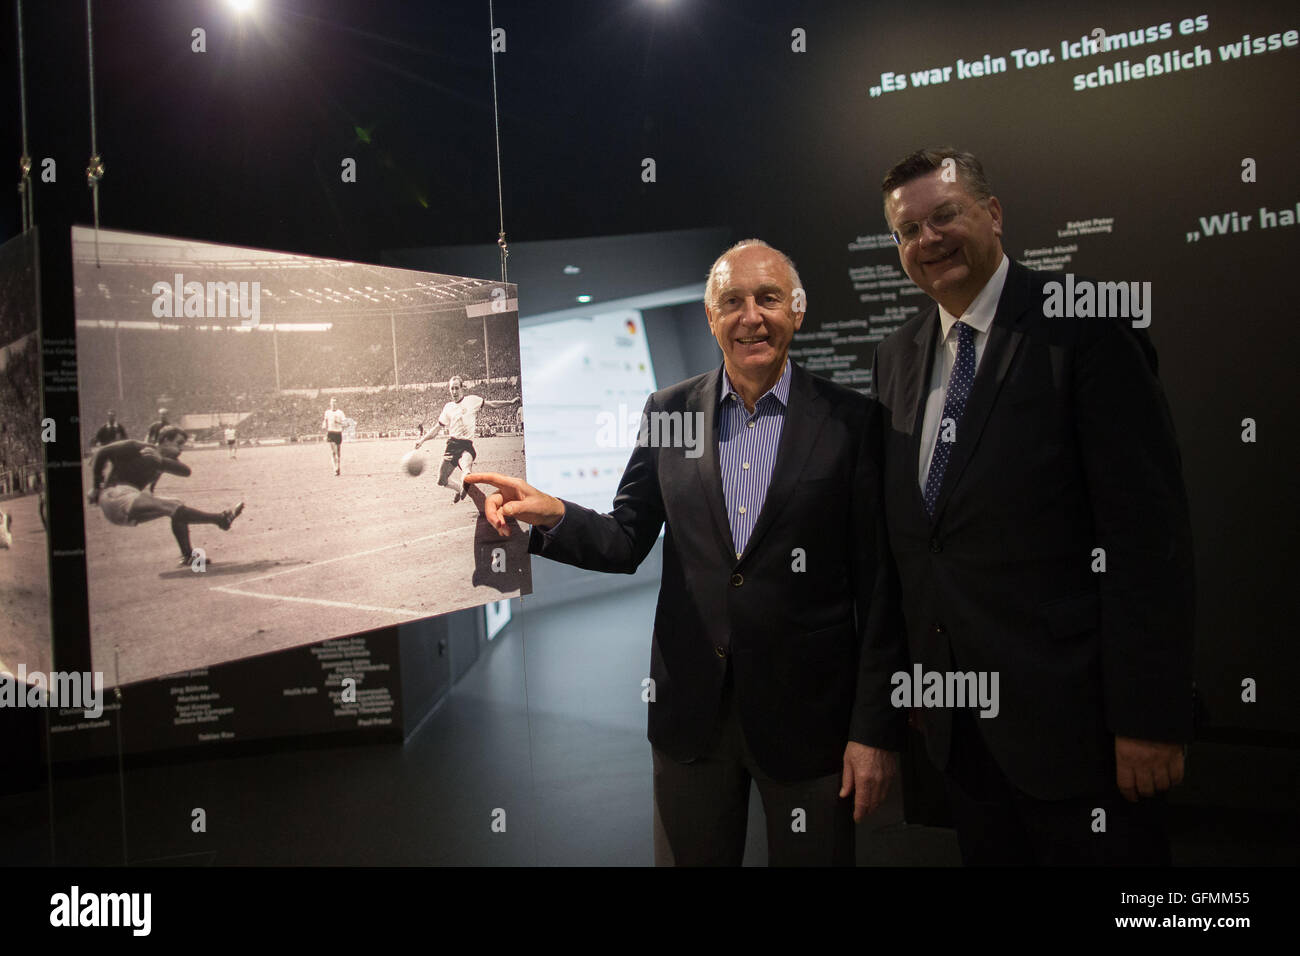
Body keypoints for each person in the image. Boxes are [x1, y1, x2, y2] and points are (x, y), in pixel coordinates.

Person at [466, 240, 905, 866]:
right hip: (692, 716)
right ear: (710, 317)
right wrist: (550, 515)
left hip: (813, 721)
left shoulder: (852, 422)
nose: (751, 317)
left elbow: (879, 587)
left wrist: (872, 730)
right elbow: (626, 538)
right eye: (732, 302)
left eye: (768, 299)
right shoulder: (668, 412)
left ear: (798, 309)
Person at [871, 148, 1195, 865]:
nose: (928, 239)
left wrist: (1149, 716)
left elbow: (1147, 536)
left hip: (1083, 732)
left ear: (993, 214)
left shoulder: (1085, 324)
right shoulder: (896, 356)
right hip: (962, 733)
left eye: (944, 215)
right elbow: (919, 542)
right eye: (908, 230)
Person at [87, 425, 245, 567]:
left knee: (176, 505)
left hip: (126, 510)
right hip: (116, 494)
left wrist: (161, 461)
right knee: (173, 507)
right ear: (165, 440)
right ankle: (220, 519)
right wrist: (96, 486)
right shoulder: (138, 447)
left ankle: (188, 556)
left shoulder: (163, 460)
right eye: (178, 443)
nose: (181, 448)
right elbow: (103, 452)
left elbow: (186, 471)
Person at [415, 376, 518, 504]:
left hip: (466, 446)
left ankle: (466, 484)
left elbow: (492, 404)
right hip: (452, 446)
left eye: (456, 388)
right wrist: (422, 440)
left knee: (466, 469)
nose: (454, 391)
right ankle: (459, 489)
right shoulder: (448, 407)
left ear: (462, 388)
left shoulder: (472, 400)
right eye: (452, 388)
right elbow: (436, 429)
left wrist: (510, 402)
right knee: (441, 480)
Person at [322, 398, 346, 476]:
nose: (333, 404)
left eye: (335, 402)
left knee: (338, 452)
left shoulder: (340, 412)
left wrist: (338, 422)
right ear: (330, 403)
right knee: (333, 451)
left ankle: (338, 467)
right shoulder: (327, 412)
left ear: (337, 403)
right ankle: (335, 468)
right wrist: (324, 425)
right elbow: (325, 421)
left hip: (338, 433)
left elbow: (344, 423)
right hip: (331, 432)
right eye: (332, 402)